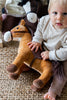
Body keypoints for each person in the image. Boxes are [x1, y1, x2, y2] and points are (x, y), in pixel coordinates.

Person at [28, 0, 67, 100]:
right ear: (49, 12)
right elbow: (39, 32)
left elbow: (65, 52)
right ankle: (25, 66)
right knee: (30, 46)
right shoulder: (45, 20)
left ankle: (53, 91)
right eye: (55, 13)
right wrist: (37, 40)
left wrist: (51, 55)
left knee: (62, 73)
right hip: (45, 48)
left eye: (65, 14)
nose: (59, 18)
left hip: (61, 55)